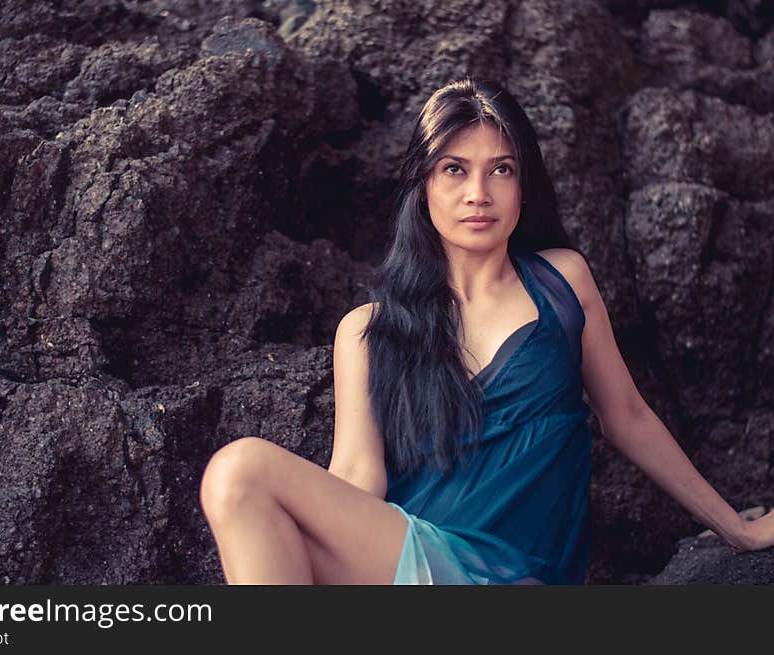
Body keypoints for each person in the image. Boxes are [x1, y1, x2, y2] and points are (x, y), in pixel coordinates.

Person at [198, 77, 774, 584]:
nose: (479, 193)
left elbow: (627, 417)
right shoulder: (368, 333)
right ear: (423, 187)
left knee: (241, 468)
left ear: (524, 185)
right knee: (237, 480)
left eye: (501, 169)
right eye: (454, 169)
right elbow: (356, 479)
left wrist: (736, 529)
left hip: (517, 574)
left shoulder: (562, 282)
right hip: (405, 566)